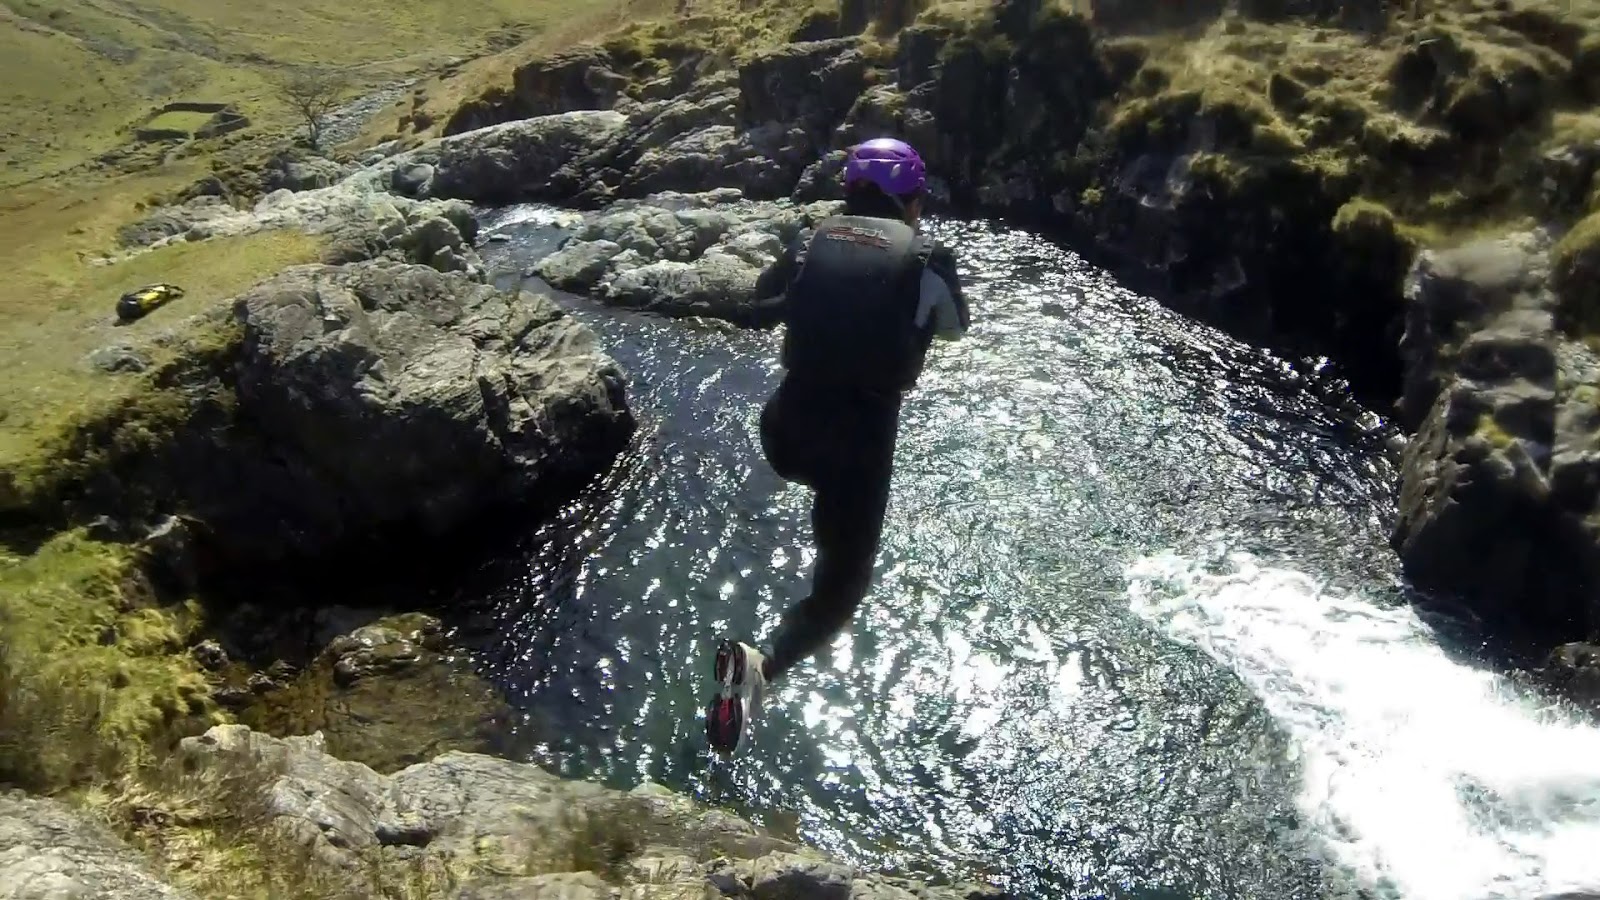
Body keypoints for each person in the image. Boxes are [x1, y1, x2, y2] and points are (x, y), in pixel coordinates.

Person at [706, 137, 970, 755]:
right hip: (859, 440)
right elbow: (956, 332)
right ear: (913, 199)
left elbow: (762, 305)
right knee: (839, 594)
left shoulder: (808, 240)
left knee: (816, 480)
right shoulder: (929, 258)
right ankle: (759, 667)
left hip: (786, 431)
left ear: (848, 191)